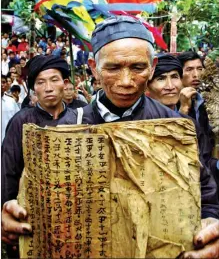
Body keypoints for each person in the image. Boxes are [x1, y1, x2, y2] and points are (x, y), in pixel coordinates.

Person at [2, 16, 219, 258]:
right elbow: (23, 200)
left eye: (137, 67)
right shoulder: (62, 130)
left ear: (152, 66)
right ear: (94, 67)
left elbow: (206, 197)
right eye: (113, 68)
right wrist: (9, 214)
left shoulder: (177, 128)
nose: (126, 82)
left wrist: (211, 226)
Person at [1, 55, 77, 258]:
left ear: (65, 83)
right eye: (41, 82)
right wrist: (6, 209)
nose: (49, 88)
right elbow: (8, 171)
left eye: (54, 80)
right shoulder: (21, 121)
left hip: (72, 213)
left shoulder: (80, 119)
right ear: (34, 88)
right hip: (33, 213)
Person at [177, 51, 219, 187]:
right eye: (189, 69)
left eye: (200, 69)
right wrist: (183, 108)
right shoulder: (171, 100)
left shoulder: (204, 100)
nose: (196, 75)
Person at [1, 75, 20, 142]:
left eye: (3, 82)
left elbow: (18, 119)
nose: (1, 84)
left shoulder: (11, 101)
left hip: (9, 140)